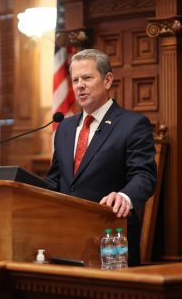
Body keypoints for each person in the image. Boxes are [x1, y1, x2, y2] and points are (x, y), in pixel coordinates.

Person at [45, 48, 157, 266]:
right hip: (63, 239)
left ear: (107, 81)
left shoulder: (132, 124)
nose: (79, 85)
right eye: (75, 79)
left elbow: (144, 175)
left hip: (110, 240)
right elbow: (54, 181)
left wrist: (125, 197)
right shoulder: (65, 128)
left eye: (87, 77)